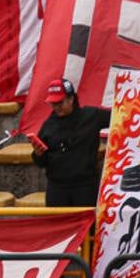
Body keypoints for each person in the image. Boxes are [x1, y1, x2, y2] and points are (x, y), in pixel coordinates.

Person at [30, 78, 108, 206]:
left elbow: (119, 116)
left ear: (71, 99)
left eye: (60, 102)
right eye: (53, 103)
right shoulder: (48, 125)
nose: (56, 107)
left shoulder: (92, 116)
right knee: (57, 220)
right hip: (57, 189)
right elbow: (41, 162)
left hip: (85, 188)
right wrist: (38, 154)